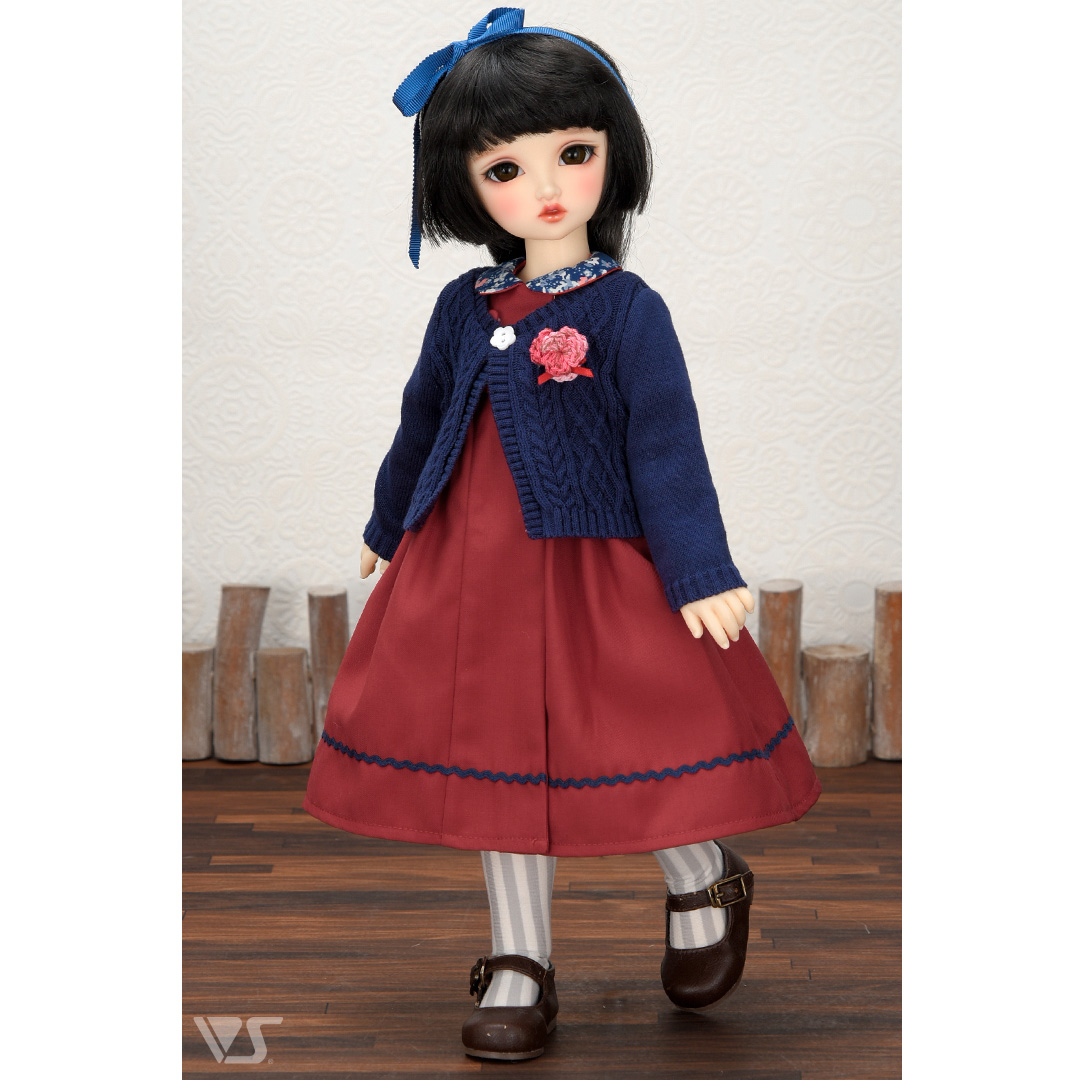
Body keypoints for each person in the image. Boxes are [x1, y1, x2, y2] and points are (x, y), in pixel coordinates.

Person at [302, 8, 821, 1062]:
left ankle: (702, 875)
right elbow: (422, 417)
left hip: (594, 561)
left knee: (636, 732)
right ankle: (519, 959)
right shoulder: (465, 305)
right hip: (471, 566)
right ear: (464, 186)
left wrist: (699, 566)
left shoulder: (626, 309)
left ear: (611, 156)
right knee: (494, 753)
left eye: (574, 154)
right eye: (506, 169)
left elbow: (665, 443)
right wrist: (389, 520)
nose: (545, 187)